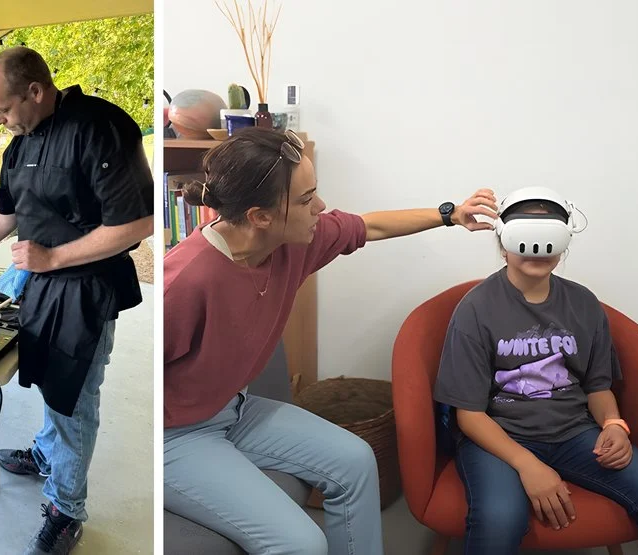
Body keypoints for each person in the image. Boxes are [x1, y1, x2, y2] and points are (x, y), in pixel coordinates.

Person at [160, 126, 497, 554]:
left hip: (233, 410)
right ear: (260, 216)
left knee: (356, 461)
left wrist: (450, 213)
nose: (320, 207)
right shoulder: (187, 281)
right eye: (305, 200)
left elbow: (369, 226)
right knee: (301, 542)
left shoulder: (291, 241)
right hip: (176, 435)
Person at [0, 47, 152, 553]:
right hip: (36, 277)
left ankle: (67, 509)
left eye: (3, 111)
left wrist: (54, 258)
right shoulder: (17, 147)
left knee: (74, 397)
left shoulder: (101, 127)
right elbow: (3, 219)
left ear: (36, 92)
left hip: (85, 287)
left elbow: (137, 224)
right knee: (45, 377)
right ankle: (48, 453)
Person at [434, 189, 638, 552]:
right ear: (504, 243)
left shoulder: (583, 303)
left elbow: (598, 386)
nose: (536, 249)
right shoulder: (475, 309)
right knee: (499, 519)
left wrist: (614, 424)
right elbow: (469, 415)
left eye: (547, 237)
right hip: (500, 437)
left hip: (573, 431)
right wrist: (528, 465)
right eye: (525, 237)